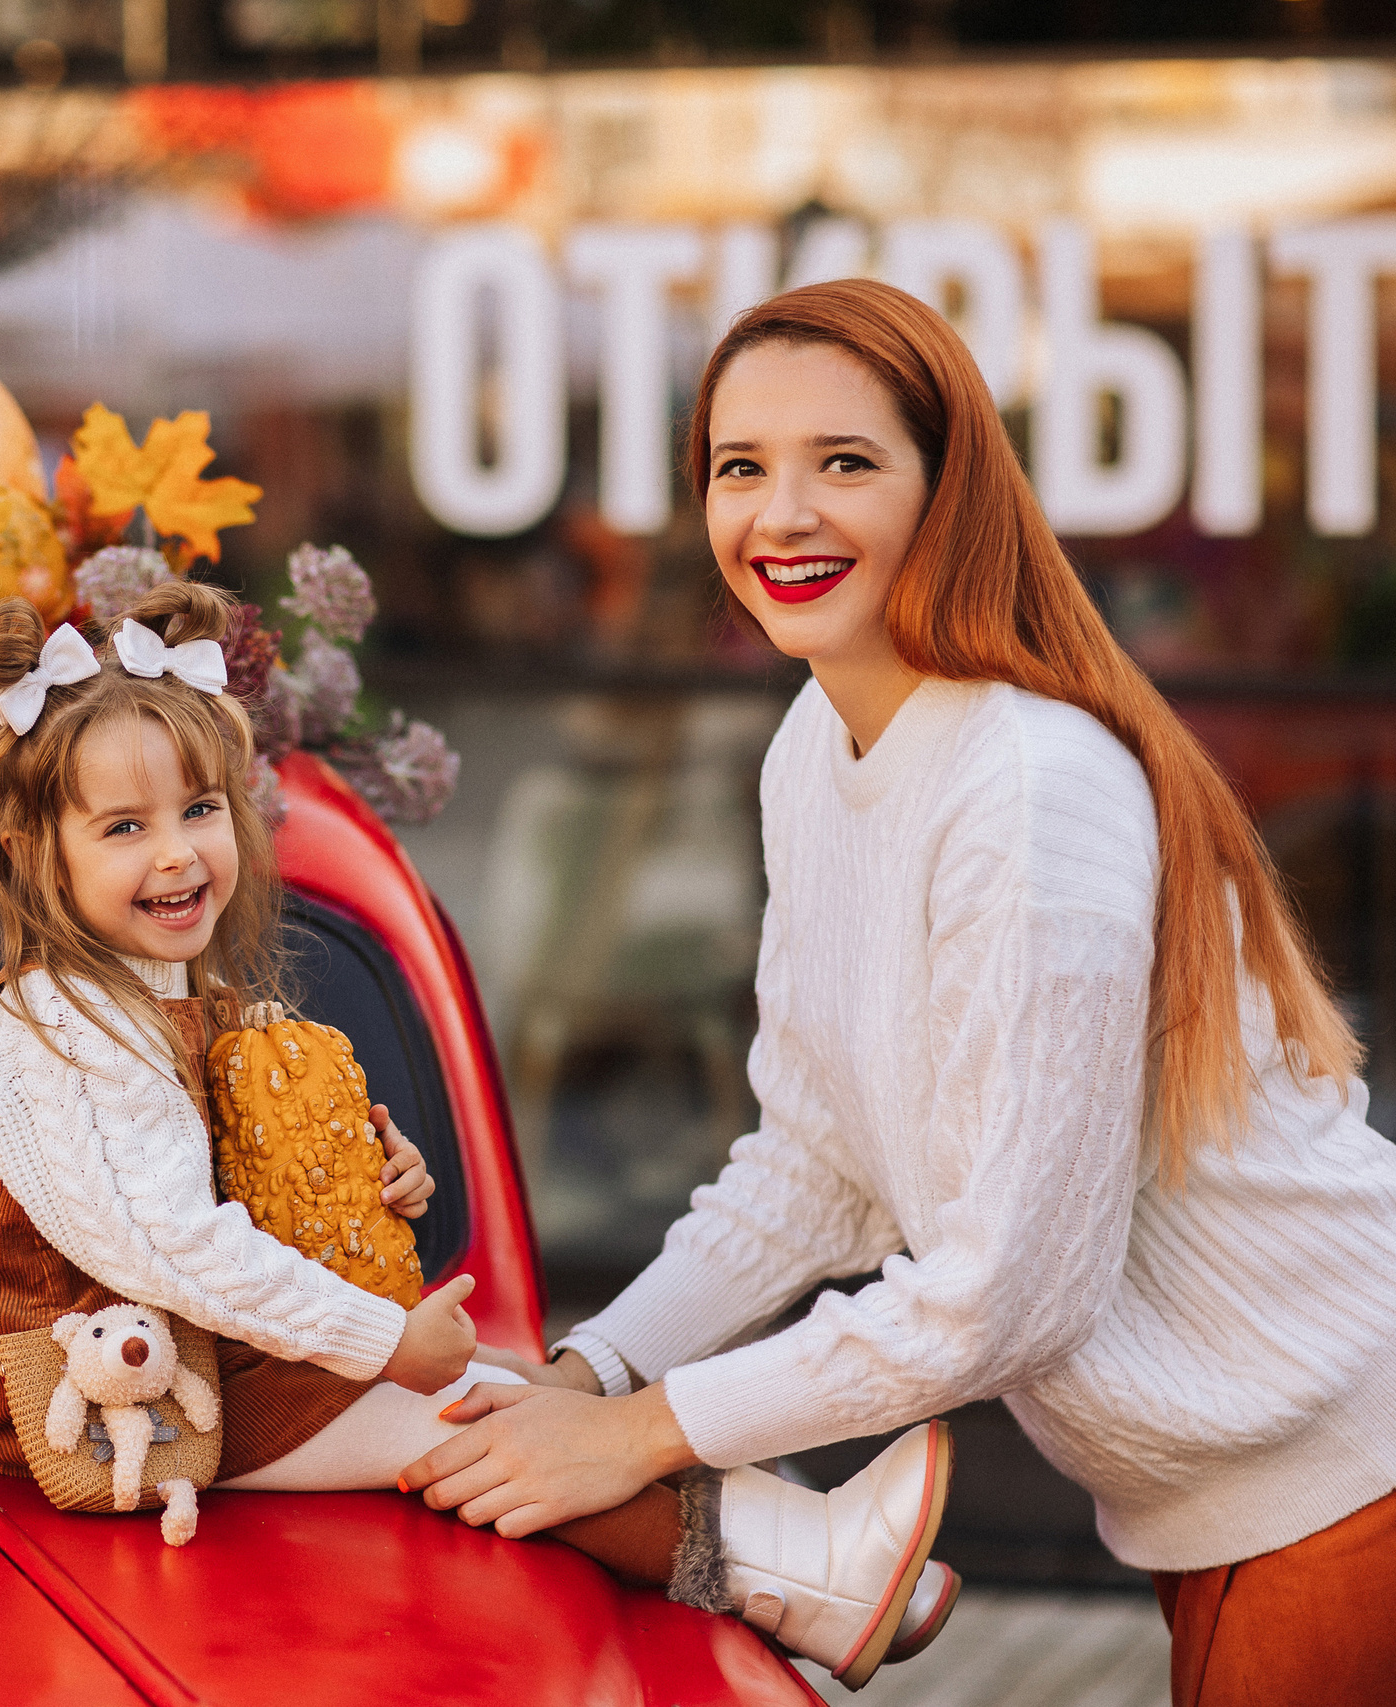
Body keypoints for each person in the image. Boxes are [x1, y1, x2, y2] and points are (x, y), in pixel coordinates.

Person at [400, 278, 1396, 1707]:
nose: (782, 514)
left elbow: (1011, 1291)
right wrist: (600, 1364)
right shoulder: (817, 745)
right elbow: (807, 1163)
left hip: (1346, 1472)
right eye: (741, 468)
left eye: (845, 463)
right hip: (1238, 1498)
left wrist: (649, 1433)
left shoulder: (1032, 782)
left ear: (950, 494)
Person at [0, 579, 957, 1687]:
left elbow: (220, 1184)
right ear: (40, 857)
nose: (176, 855)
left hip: (201, 1348)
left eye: (199, 810)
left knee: (519, 1390)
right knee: (469, 1428)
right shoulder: (59, 1032)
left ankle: (813, 1552)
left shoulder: (171, 990)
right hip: (100, 1403)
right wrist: (380, 1341)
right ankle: (792, 1577)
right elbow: (170, 1242)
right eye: (125, 827)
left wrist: (370, 1180)